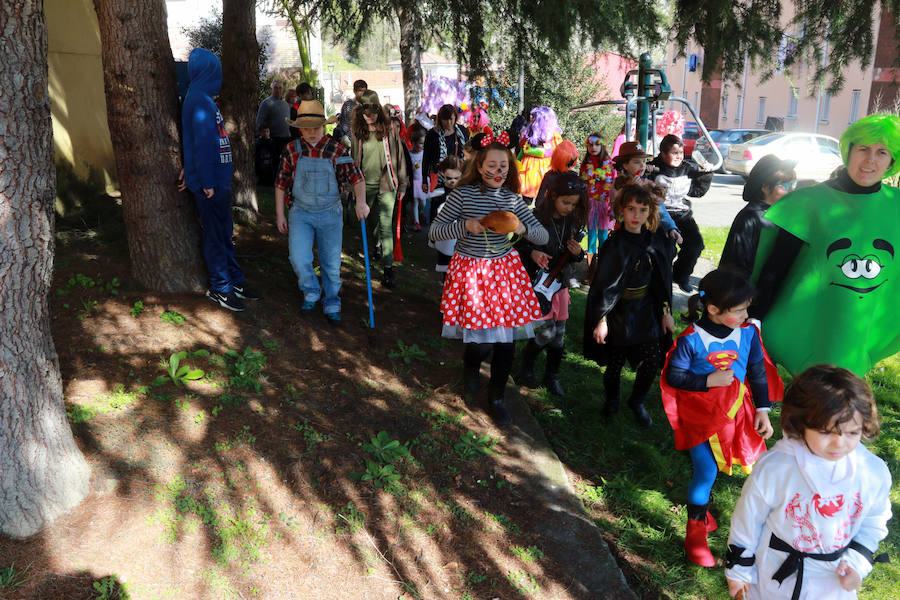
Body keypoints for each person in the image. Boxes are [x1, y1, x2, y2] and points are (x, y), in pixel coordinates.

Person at [725, 364, 891, 600]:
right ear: (800, 423)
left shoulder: (871, 473)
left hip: (833, 578)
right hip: (775, 572)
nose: (839, 444)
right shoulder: (777, 468)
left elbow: (874, 522)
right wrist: (739, 571)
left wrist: (857, 563)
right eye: (826, 432)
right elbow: (748, 520)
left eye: (852, 433)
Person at [751, 114, 900, 376]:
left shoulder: (896, 205)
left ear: (891, 161)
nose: (870, 160)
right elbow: (775, 268)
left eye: (881, 152)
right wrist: (755, 318)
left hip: (862, 324)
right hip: (813, 324)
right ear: (848, 151)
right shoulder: (808, 203)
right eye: (863, 149)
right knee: (814, 400)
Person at [660, 269, 783, 567]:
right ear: (713, 309)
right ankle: (694, 533)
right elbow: (674, 376)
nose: (745, 314)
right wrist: (706, 382)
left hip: (736, 418)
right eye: (739, 310)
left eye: (746, 308)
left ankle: (759, 527)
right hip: (700, 418)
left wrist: (763, 410)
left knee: (758, 469)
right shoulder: (691, 339)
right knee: (706, 471)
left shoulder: (748, 333)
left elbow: (755, 372)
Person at [428, 137, 549, 426]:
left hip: (505, 275)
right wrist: (463, 226)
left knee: (506, 342)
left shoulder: (512, 199)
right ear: (479, 166)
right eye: (492, 164)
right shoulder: (462, 195)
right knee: (480, 342)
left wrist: (521, 227)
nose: (498, 170)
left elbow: (543, 237)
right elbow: (434, 231)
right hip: (471, 272)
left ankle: (497, 397)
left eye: (503, 165)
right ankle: (470, 368)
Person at [583, 183, 675, 427]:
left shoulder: (655, 243)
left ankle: (638, 400)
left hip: (646, 311)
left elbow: (662, 282)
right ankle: (612, 399)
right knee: (615, 363)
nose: (637, 215)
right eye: (631, 209)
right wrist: (601, 319)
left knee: (653, 359)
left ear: (650, 212)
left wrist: (666, 312)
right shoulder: (614, 245)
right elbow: (604, 287)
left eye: (643, 209)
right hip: (618, 312)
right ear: (621, 210)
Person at [274, 100, 366, 326]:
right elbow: (280, 183)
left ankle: (332, 300)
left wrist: (361, 203)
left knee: (331, 262)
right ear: (299, 129)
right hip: (301, 213)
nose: (311, 133)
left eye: (315, 128)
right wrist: (280, 214)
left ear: (324, 127)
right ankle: (311, 291)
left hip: (330, 214)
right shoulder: (291, 150)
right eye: (306, 129)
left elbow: (357, 177)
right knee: (298, 257)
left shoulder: (337, 149)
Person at [180, 48, 259, 311]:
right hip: (210, 185)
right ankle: (220, 287)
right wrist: (206, 182)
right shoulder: (198, 100)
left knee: (225, 233)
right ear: (208, 72)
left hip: (218, 181)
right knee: (215, 235)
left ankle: (234, 279)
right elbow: (201, 145)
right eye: (217, 71)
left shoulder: (203, 98)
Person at [516, 172, 587, 397]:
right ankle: (527, 363)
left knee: (559, 334)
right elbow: (515, 247)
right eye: (565, 202)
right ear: (553, 195)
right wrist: (533, 252)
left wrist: (578, 254)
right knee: (546, 332)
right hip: (539, 285)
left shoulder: (572, 221)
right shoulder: (534, 218)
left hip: (560, 284)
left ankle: (552, 375)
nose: (569, 207)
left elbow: (572, 254)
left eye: (573, 204)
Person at [350, 90, 408, 289]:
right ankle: (376, 246)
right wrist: (351, 186)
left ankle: (388, 269)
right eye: (366, 112)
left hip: (387, 184)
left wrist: (403, 183)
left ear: (379, 111)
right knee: (370, 223)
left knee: (386, 226)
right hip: (364, 186)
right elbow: (353, 158)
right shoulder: (357, 130)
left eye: (373, 112)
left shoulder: (390, 128)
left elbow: (399, 156)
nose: (369, 116)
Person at [648, 134, 713, 292]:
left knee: (696, 245)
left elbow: (696, 192)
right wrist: (645, 170)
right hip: (661, 214)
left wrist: (706, 174)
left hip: (682, 214)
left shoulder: (687, 169)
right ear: (663, 154)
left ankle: (681, 275)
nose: (678, 156)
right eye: (674, 152)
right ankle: (661, 278)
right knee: (667, 248)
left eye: (681, 153)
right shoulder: (653, 168)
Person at [719, 155, 797, 280]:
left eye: (793, 185)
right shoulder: (750, 217)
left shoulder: (778, 214)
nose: (791, 191)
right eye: (783, 186)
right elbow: (736, 263)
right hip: (747, 290)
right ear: (765, 187)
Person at [611, 141, 682, 246]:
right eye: (636, 162)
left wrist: (670, 228)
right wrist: (629, 189)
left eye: (644, 162)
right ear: (625, 165)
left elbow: (660, 209)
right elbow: (615, 208)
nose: (642, 166)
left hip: (645, 234)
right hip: (625, 236)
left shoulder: (647, 184)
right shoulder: (618, 184)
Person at [579, 133, 616, 282]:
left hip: (605, 207)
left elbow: (614, 187)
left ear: (602, 146)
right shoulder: (584, 165)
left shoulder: (610, 165)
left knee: (604, 238)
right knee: (591, 239)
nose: (593, 148)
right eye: (590, 145)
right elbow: (582, 186)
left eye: (597, 144)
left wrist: (613, 208)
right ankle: (592, 272)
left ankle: (604, 271)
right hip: (590, 206)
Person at [518, 106, 562, 204]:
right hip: (528, 169)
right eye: (531, 115)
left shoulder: (554, 135)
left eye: (534, 116)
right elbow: (522, 147)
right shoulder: (527, 132)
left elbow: (553, 150)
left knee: (543, 197)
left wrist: (531, 150)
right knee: (526, 198)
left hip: (543, 170)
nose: (530, 118)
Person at [429, 155, 463, 278]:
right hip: (444, 239)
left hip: (462, 240)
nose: (452, 181)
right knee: (447, 273)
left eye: (456, 178)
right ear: (443, 174)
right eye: (449, 178)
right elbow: (434, 218)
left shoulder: (466, 192)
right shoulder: (438, 194)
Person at [422, 104, 469, 195]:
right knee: (439, 203)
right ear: (440, 119)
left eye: (451, 119)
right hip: (439, 177)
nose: (449, 122)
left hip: (459, 175)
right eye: (445, 119)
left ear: (455, 118)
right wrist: (424, 180)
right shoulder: (432, 134)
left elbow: (468, 154)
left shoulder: (462, 131)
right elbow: (426, 158)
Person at [256, 79, 292, 169]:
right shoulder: (266, 103)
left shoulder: (286, 104)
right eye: (276, 88)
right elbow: (259, 121)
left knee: (285, 163)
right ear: (271, 89)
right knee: (275, 164)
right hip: (273, 140)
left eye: (280, 88)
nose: (278, 90)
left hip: (286, 139)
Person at [534, 139, 579, 207]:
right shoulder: (550, 176)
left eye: (571, 162)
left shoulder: (550, 175)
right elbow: (539, 200)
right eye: (569, 162)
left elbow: (539, 201)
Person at [335, 79, 366, 147]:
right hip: (352, 139)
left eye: (364, 91)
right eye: (360, 91)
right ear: (354, 91)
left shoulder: (368, 104)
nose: (362, 94)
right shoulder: (348, 105)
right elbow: (345, 125)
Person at [409, 128, 428, 231]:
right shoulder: (410, 154)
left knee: (423, 202)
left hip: (423, 181)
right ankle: (416, 222)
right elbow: (408, 167)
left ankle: (420, 212)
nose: (422, 146)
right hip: (414, 181)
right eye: (420, 143)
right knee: (415, 202)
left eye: (423, 143)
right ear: (414, 143)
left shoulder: (424, 153)